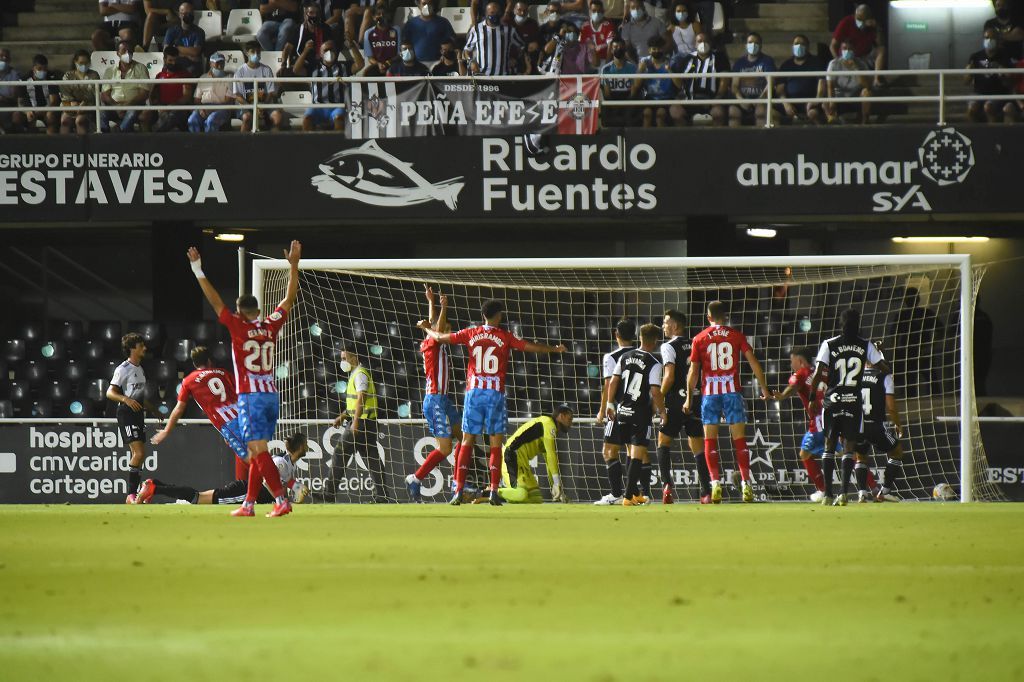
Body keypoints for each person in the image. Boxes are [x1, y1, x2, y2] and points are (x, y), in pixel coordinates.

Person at [186, 239, 302, 518]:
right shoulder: (271, 324)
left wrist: (198, 269)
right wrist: (294, 266)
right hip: (271, 394)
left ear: (239, 313)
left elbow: (215, 302)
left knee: (258, 451)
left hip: (250, 396)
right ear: (259, 312)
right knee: (254, 451)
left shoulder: (236, 325)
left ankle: (280, 500)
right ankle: (249, 504)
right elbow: (289, 299)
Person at [418, 298, 566, 506]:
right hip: (495, 395)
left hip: (474, 394)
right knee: (495, 444)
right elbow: (529, 347)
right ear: (499, 316)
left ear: (483, 316)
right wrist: (553, 349)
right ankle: (495, 491)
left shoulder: (471, 332)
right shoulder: (504, 336)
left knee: (467, 441)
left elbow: (441, 337)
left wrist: (427, 330)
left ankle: (458, 490)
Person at [684, 301, 771, 504]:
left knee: (710, 441)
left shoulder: (699, 338)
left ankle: (715, 484)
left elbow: (693, 372)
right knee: (739, 439)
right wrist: (765, 389)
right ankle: (746, 484)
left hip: (710, 395)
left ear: (708, 317)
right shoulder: (736, 335)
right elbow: (753, 361)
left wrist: (689, 398)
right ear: (725, 316)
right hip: (732, 392)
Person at [807, 308, 887, 507]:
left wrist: (811, 398)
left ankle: (827, 494)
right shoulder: (865, 344)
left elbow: (818, 373)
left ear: (840, 324)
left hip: (833, 400)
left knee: (829, 446)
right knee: (849, 448)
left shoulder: (829, 344)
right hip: (853, 401)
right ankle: (843, 493)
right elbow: (885, 367)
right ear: (858, 324)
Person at [137, 432, 311, 506]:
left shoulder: (288, 464)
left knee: (199, 497)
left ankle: (154, 484)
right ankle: (155, 488)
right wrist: (282, 501)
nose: (307, 448)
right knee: (198, 498)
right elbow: (267, 482)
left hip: (248, 493)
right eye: (306, 445)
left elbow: (286, 480)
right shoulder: (280, 461)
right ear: (299, 447)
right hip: (244, 493)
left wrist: (299, 488)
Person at [151, 345, 247, 477]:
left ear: (195, 363)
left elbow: (179, 408)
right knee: (247, 454)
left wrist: (166, 430)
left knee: (252, 458)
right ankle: (248, 493)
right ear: (209, 361)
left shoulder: (189, 380)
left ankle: (277, 489)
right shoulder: (224, 372)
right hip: (244, 417)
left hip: (229, 423)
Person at [406, 287, 462, 502]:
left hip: (444, 399)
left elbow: (433, 322)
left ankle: (459, 484)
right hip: (435, 400)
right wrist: (444, 306)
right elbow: (436, 327)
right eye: (445, 328)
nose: (448, 331)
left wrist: (431, 301)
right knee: (446, 448)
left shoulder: (435, 342)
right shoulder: (432, 343)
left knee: (464, 439)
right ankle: (415, 478)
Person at [607, 323, 667, 507]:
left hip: (622, 411)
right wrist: (663, 412)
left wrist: (610, 403)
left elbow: (613, 382)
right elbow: (655, 391)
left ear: (640, 338)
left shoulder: (624, 356)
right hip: (640, 412)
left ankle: (633, 494)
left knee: (629, 451)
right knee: (637, 454)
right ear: (655, 341)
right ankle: (627, 496)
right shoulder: (654, 363)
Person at [657, 310, 711, 505]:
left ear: (675, 325)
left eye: (665, 322)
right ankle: (706, 492)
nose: (663, 326)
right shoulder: (697, 343)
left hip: (675, 401)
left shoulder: (668, 346)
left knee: (663, 441)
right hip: (696, 400)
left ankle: (667, 486)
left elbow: (669, 376)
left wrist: (658, 397)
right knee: (697, 444)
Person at [772, 347, 831, 502]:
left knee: (805, 454)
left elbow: (793, 387)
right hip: (833, 415)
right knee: (847, 452)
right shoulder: (823, 372)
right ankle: (870, 488)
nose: (791, 365)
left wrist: (782, 396)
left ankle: (823, 490)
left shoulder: (801, 373)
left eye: (792, 361)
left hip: (819, 420)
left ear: (799, 360)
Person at [333, 345, 390, 503]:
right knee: (372, 459)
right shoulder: (355, 374)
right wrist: (343, 416)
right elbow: (353, 403)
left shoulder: (359, 374)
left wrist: (355, 422)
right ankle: (382, 495)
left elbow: (361, 398)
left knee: (340, 453)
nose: (342, 361)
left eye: (344, 358)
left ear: (354, 358)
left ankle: (328, 493)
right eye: (341, 358)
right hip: (366, 421)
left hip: (362, 422)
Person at [106, 333, 156, 504]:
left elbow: (139, 397)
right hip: (126, 413)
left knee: (139, 455)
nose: (145, 348)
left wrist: (153, 409)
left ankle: (135, 495)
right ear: (133, 348)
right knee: (139, 453)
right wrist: (125, 399)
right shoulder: (123, 369)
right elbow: (110, 392)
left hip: (138, 414)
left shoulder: (140, 369)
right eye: (141, 345)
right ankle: (131, 494)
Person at [854, 344, 905, 503]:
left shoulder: (855, 377)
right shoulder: (885, 377)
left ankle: (862, 492)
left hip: (858, 425)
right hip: (877, 425)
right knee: (896, 451)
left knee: (861, 457)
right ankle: (885, 491)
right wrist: (897, 424)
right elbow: (891, 407)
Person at [594, 319, 636, 505]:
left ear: (616, 334)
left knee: (609, 450)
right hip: (639, 410)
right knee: (633, 451)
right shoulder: (644, 355)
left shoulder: (611, 357)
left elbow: (609, 385)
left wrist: (603, 410)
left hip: (619, 409)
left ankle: (616, 494)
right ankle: (635, 495)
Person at [499, 405, 574, 503]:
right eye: (570, 419)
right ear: (561, 416)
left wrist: (556, 487)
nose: (571, 423)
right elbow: (551, 455)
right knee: (521, 494)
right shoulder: (548, 424)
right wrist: (556, 483)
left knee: (536, 498)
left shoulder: (546, 430)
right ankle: (492, 491)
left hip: (522, 462)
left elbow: (549, 462)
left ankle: (512, 498)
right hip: (511, 455)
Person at [889, 287, 939, 398]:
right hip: (908, 353)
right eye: (909, 298)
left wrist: (932, 346)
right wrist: (897, 354)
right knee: (910, 383)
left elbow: (940, 330)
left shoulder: (925, 313)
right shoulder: (902, 315)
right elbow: (894, 336)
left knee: (930, 380)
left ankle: (937, 403)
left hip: (922, 351)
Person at [299, 39, 360, 130]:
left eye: (332, 50)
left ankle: (337, 143)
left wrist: (352, 46)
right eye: (326, 50)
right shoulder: (313, 67)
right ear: (320, 53)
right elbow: (296, 70)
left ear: (336, 52)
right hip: (317, 106)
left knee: (339, 119)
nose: (329, 52)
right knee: (307, 119)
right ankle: (308, 143)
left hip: (337, 106)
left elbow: (360, 65)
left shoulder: (344, 66)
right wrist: (305, 51)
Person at [675, 33, 727, 126]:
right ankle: (682, 139)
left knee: (718, 113)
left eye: (705, 41)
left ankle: (718, 139)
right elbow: (679, 82)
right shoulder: (687, 59)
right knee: (676, 112)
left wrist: (717, 98)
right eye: (699, 41)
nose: (703, 44)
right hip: (689, 99)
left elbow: (724, 81)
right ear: (695, 44)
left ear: (710, 43)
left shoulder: (720, 58)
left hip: (712, 99)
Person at [965, 28, 1016, 124]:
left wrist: (1003, 73)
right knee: (971, 109)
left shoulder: (1005, 56)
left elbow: (1010, 81)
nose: (989, 41)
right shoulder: (975, 57)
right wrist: (968, 71)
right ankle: (973, 134)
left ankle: (991, 134)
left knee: (988, 107)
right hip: (979, 93)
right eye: (986, 38)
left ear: (997, 40)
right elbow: (966, 82)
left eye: (992, 38)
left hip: (998, 94)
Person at [99, 40, 151, 132]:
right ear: (118, 53)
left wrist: (127, 105)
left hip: (134, 106)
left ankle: (121, 133)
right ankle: (104, 138)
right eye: (124, 51)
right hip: (114, 106)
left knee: (132, 112)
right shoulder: (110, 71)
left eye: (130, 51)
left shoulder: (141, 68)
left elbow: (144, 93)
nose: (127, 53)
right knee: (101, 113)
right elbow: (105, 94)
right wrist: (117, 107)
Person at [631, 35, 682, 127]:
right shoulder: (644, 62)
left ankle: (660, 140)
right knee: (647, 114)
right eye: (654, 49)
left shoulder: (671, 62)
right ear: (649, 50)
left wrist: (670, 70)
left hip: (667, 99)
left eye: (659, 48)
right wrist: (640, 71)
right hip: (650, 99)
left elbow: (679, 85)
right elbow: (636, 85)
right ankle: (645, 139)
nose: (657, 51)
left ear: (663, 49)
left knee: (660, 114)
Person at [829, 3, 885, 88]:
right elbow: (833, 45)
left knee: (882, 49)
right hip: (847, 56)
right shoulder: (846, 22)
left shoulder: (872, 25)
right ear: (855, 14)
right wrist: (838, 61)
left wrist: (877, 28)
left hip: (865, 56)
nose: (861, 22)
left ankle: (877, 79)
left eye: (864, 19)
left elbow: (879, 43)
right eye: (859, 19)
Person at [234, 41, 285, 132]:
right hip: (246, 105)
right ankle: (242, 143)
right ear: (246, 53)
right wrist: (253, 107)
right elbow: (238, 96)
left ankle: (274, 143)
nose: (256, 54)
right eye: (252, 51)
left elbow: (271, 92)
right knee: (246, 117)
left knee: (277, 117)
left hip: (265, 104)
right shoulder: (240, 71)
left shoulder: (266, 69)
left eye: (258, 52)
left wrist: (263, 107)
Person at [464, 0, 525, 75]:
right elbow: (466, 50)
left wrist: (515, 58)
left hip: (503, 75)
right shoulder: (477, 30)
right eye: (492, 13)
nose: (495, 15)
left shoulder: (509, 30)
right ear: (486, 14)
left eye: (497, 13)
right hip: (482, 75)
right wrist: (471, 61)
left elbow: (522, 47)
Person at [143, 46, 194, 132]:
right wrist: (157, 106)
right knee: (144, 115)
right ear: (164, 59)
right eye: (170, 60)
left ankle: (152, 137)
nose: (173, 63)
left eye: (176, 60)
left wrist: (170, 107)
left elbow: (186, 97)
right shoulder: (159, 76)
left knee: (171, 116)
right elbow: (153, 95)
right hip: (161, 108)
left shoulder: (185, 75)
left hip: (179, 108)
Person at [776, 34, 825, 124]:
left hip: (811, 103)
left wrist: (815, 101)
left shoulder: (816, 62)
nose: (799, 46)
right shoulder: (786, 65)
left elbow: (821, 85)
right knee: (772, 114)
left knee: (813, 114)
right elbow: (780, 89)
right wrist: (786, 104)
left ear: (807, 47)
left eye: (802, 44)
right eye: (796, 44)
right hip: (790, 102)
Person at [730, 32, 775, 128]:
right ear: (746, 45)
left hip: (761, 99)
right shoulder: (739, 63)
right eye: (750, 42)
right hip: (743, 99)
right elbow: (734, 86)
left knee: (761, 112)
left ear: (761, 45)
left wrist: (761, 99)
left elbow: (770, 82)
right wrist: (741, 100)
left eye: (756, 43)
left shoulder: (767, 61)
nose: (753, 45)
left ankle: (760, 141)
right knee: (733, 112)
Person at [825, 39, 872, 124]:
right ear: (840, 50)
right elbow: (830, 86)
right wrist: (832, 102)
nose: (847, 51)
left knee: (866, 92)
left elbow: (867, 85)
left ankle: (865, 122)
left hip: (856, 97)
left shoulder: (861, 63)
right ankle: (832, 122)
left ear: (854, 50)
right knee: (825, 103)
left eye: (850, 49)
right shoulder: (834, 64)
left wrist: (855, 68)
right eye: (844, 48)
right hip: (840, 97)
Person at [188, 52, 233, 132]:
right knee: (192, 119)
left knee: (211, 120)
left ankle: (209, 143)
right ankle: (194, 142)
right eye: (217, 63)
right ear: (211, 64)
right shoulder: (203, 77)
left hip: (222, 109)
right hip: (204, 107)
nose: (220, 65)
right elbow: (197, 99)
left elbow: (228, 100)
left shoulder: (230, 77)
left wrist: (211, 109)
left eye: (222, 62)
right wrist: (201, 109)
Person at [60, 50, 101, 135]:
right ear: (75, 62)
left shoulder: (94, 75)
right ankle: (63, 145)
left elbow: (93, 92)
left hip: (88, 105)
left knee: (80, 121)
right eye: (81, 63)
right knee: (65, 121)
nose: (84, 65)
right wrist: (72, 102)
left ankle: (82, 146)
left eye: (86, 63)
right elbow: (64, 91)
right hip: (70, 105)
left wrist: (84, 103)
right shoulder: (68, 75)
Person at [600, 38, 639, 127]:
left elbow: (633, 91)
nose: (618, 49)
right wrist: (614, 105)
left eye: (620, 47)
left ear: (625, 49)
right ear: (611, 50)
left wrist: (626, 103)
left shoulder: (632, 68)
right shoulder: (605, 69)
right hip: (612, 98)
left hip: (628, 97)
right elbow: (606, 93)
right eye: (615, 47)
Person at [162, 2, 205, 75]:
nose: (188, 15)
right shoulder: (171, 31)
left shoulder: (199, 32)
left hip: (192, 66)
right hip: (173, 65)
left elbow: (195, 52)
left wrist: (175, 47)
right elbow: (167, 51)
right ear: (179, 15)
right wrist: (188, 55)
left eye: (190, 13)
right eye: (185, 13)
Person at [24, 55, 60, 135]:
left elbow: (53, 101)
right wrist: (27, 111)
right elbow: (20, 101)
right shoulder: (25, 79)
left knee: (51, 116)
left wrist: (45, 111)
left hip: (47, 109)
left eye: (45, 69)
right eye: (39, 69)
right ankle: (31, 144)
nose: (43, 71)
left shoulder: (51, 78)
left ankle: (50, 142)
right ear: (33, 68)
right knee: (26, 117)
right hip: (32, 110)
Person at [362, 3, 400, 75]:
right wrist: (379, 64)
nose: (382, 16)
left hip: (393, 65)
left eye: (384, 13)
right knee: (366, 73)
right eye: (378, 14)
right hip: (377, 66)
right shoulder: (368, 33)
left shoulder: (396, 30)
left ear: (388, 15)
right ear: (373, 17)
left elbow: (399, 54)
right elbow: (370, 57)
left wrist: (388, 63)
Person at [580, 0, 615, 65]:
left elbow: (610, 46)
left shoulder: (608, 25)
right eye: (594, 11)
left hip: (604, 60)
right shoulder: (585, 26)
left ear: (603, 12)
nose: (597, 13)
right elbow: (581, 46)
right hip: (589, 61)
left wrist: (606, 65)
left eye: (599, 11)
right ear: (590, 12)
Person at [0, 48, 26, 134]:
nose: (3, 59)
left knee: (17, 116)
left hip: (9, 105)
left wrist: (2, 98)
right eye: (1, 56)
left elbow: (14, 96)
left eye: (6, 57)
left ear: (9, 60)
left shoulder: (14, 74)